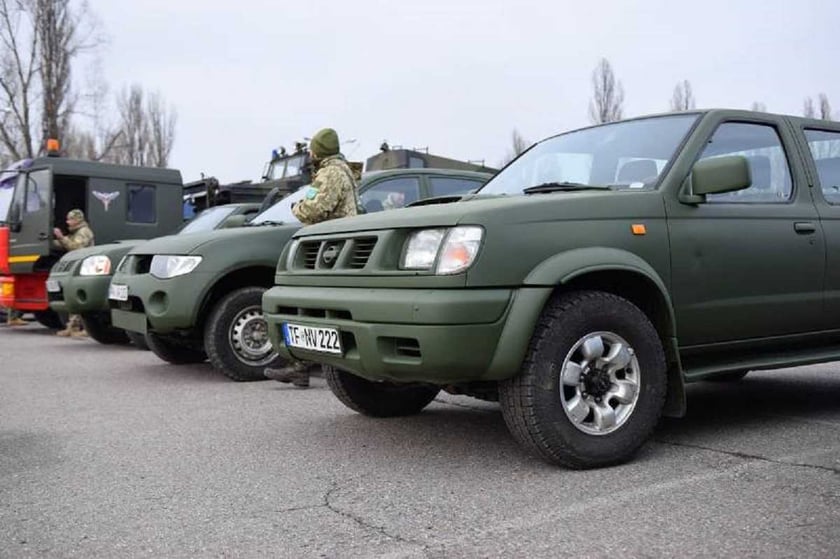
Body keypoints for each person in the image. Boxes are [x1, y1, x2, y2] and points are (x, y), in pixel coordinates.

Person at [264, 127, 358, 388]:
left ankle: (303, 367)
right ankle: (301, 367)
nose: (309, 153)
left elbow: (313, 209)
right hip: (335, 247)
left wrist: (295, 207)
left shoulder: (330, 173)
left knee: (312, 308)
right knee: (317, 309)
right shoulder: (342, 171)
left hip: (329, 249)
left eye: (312, 148)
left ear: (319, 150)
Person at [53, 209, 95, 337]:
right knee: (73, 298)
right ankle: (73, 327)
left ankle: (88, 329)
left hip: (84, 269)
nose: (67, 222)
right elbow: (68, 243)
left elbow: (76, 248)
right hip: (77, 269)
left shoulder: (84, 232)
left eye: (70, 219)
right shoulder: (76, 233)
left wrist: (61, 237)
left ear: (77, 219)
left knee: (83, 300)